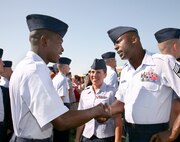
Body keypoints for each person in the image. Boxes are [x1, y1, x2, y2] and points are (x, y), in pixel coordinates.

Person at [9, 14, 111, 142]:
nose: (62, 49)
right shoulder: (36, 70)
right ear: (44, 41)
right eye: (59, 42)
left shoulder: (23, 66)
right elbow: (62, 120)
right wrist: (96, 111)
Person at [106, 26, 180, 142]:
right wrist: (102, 111)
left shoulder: (164, 62)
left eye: (118, 41)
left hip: (154, 135)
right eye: (114, 43)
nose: (115, 47)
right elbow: (120, 103)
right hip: (130, 133)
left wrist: (173, 132)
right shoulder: (125, 71)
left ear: (134, 39)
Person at [154, 27, 180, 142]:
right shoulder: (177, 67)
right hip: (176, 127)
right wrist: (173, 130)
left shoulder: (153, 66)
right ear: (175, 46)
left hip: (158, 126)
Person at [75, 59, 122, 142]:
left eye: (98, 72)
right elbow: (81, 118)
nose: (94, 75)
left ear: (105, 74)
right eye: (92, 72)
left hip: (105, 137)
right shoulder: (85, 93)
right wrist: (77, 138)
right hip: (87, 137)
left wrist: (117, 140)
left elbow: (117, 118)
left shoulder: (112, 92)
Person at [52, 57, 72, 142]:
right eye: (68, 66)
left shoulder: (56, 78)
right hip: (62, 107)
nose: (69, 68)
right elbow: (61, 98)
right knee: (63, 134)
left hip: (55, 108)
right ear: (63, 67)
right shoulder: (63, 79)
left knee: (57, 134)